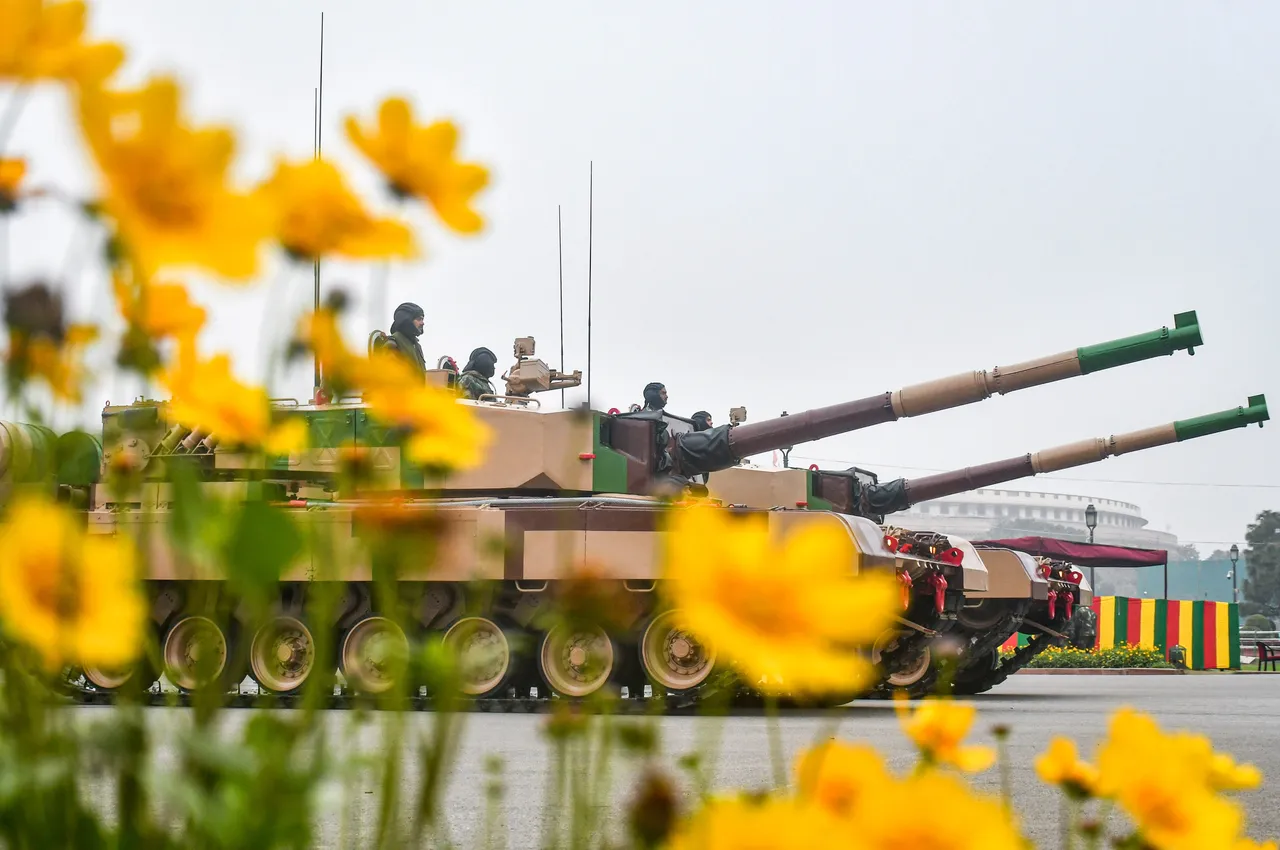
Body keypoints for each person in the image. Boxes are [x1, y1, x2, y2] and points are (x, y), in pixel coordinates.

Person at [381, 302, 426, 380]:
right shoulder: (394, 342)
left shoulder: (417, 346)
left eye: (422, 319)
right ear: (407, 320)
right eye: (419, 319)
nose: (422, 323)